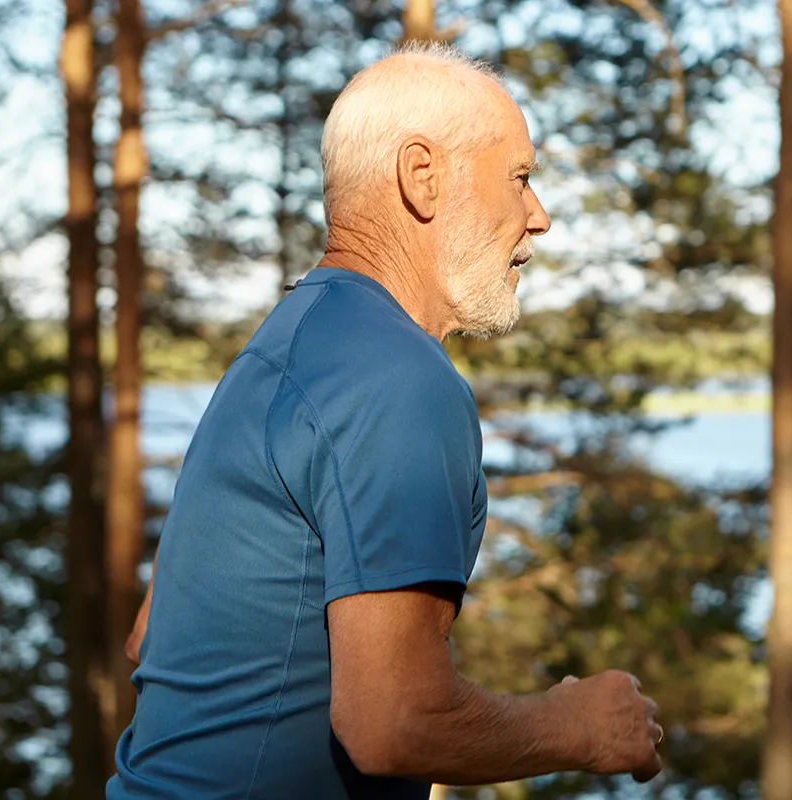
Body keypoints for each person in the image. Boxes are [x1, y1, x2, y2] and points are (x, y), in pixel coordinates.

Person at [105, 42, 663, 800]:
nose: (540, 218)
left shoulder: (288, 345)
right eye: (521, 178)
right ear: (421, 176)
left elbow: (153, 641)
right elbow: (394, 723)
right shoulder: (398, 377)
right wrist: (582, 725)